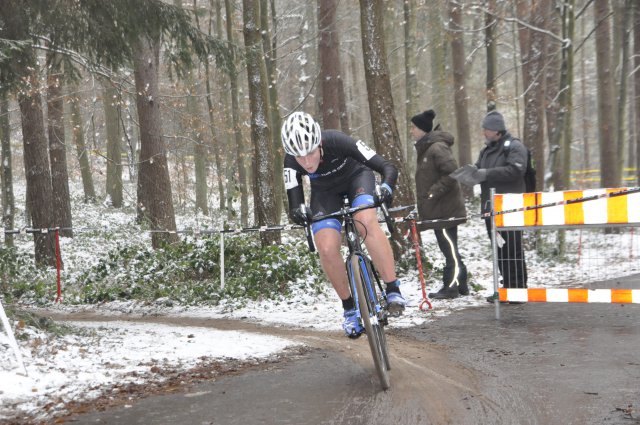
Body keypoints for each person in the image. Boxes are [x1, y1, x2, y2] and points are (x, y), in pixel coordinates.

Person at [281, 111, 406, 338]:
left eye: (310, 152)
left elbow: (388, 167)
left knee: (364, 221)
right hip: (325, 193)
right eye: (300, 157)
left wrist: (387, 187)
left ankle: (392, 289)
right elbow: (294, 202)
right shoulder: (291, 160)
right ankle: (349, 309)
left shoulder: (338, 140)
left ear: (319, 142)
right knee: (327, 247)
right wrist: (298, 212)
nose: (307, 162)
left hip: (357, 179)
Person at [453, 110, 528, 300]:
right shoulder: (486, 150)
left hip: (510, 206)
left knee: (512, 248)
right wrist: (472, 173)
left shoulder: (514, 147)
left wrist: (487, 173)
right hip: (489, 207)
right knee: (499, 248)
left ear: (496, 130)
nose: (484, 132)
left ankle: (517, 289)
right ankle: (505, 287)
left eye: (486, 129)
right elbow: (480, 168)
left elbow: (516, 170)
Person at [411, 109, 468, 299]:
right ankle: (461, 284)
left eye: (413, 127)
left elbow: (452, 172)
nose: (411, 131)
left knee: (449, 248)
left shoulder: (437, 148)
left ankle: (451, 287)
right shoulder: (428, 148)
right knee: (450, 247)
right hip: (438, 209)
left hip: (445, 209)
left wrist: (433, 192)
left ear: (422, 130)